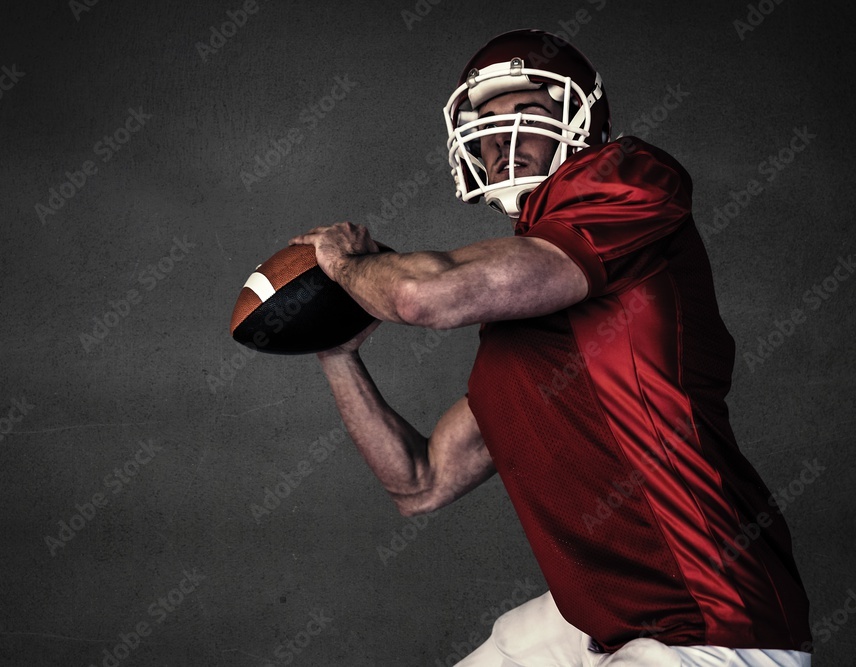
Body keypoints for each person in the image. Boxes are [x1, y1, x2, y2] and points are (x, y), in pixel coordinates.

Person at [287, 29, 813, 666]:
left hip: (713, 622)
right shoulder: (520, 324)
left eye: (529, 111)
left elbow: (429, 296)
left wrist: (343, 267)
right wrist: (336, 351)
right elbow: (419, 483)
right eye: (485, 120)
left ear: (581, 117)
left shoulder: (628, 179)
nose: (502, 136)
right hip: (600, 622)